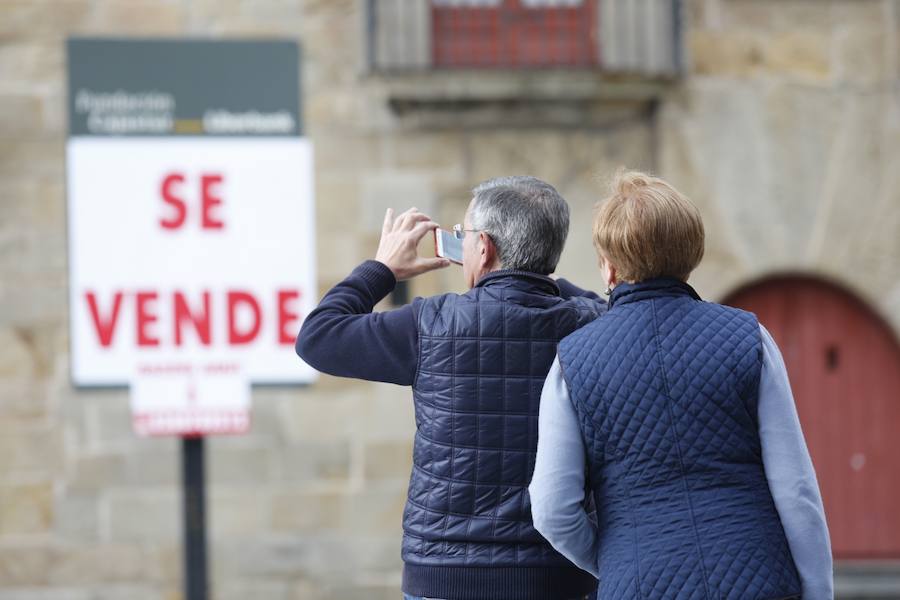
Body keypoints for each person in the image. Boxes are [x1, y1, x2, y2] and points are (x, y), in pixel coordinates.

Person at [296, 176, 607, 600]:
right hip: (559, 579)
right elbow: (600, 303)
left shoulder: (430, 325)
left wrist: (381, 269)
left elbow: (318, 336)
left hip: (444, 578)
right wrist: (536, 273)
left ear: (484, 248)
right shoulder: (592, 324)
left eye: (463, 238)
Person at [529, 169, 833, 600]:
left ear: (609, 267)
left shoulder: (570, 363)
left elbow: (551, 508)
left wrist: (619, 560)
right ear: (690, 255)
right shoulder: (749, 339)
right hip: (760, 579)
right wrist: (818, 590)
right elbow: (796, 489)